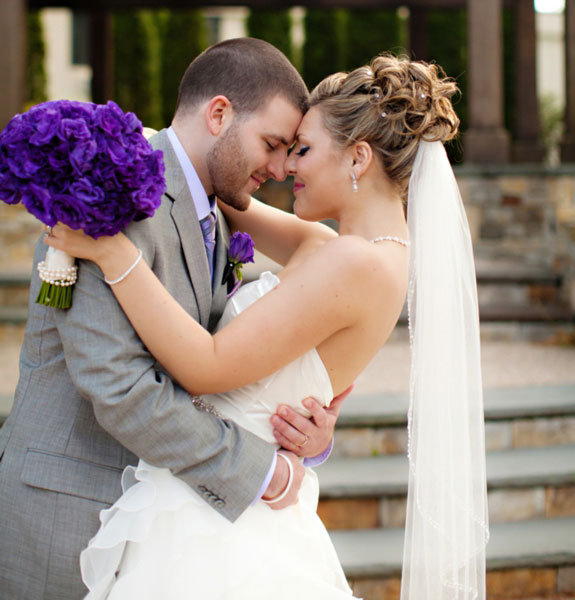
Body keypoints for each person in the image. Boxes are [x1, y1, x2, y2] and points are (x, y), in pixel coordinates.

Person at [46, 53, 488, 600]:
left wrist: (117, 258)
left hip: (219, 518)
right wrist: (117, 146)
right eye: (281, 148)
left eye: (301, 148)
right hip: (228, 491)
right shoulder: (355, 251)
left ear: (358, 158)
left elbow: (207, 367)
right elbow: (222, 194)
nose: (286, 168)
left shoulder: (353, 263)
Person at [0, 38, 346, 600]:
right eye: (273, 144)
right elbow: (120, 387)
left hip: (164, 523)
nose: (282, 168)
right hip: (69, 514)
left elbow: (222, 359)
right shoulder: (105, 189)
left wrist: (303, 429)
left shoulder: (219, 206)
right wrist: (261, 471)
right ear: (219, 114)